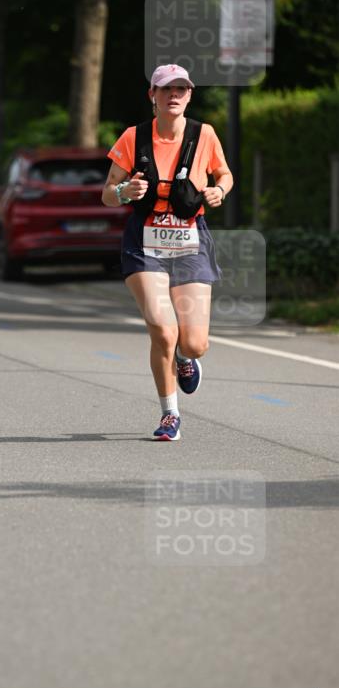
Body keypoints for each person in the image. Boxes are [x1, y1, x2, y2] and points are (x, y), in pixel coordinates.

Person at [102, 64, 233, 441]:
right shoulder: (133, 138)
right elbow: (108, 193)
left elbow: (224, 175)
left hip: (190, 241)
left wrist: (218, 192)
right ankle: (169, 415)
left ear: (190, 95)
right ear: (152, 96)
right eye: (166, 89)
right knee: (162, 328)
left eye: (181, 89)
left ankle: (185, 357)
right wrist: (126, 191)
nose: (173, 95)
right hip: (145, 244)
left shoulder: (204, 135)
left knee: (194, 342)